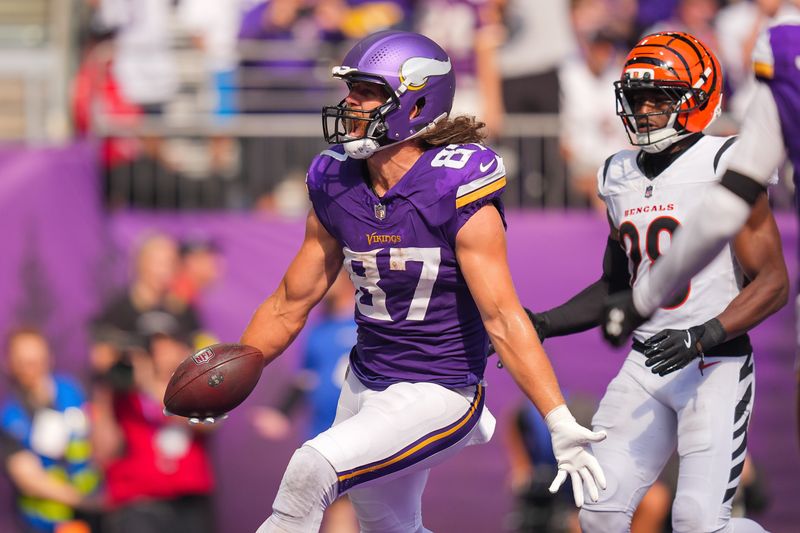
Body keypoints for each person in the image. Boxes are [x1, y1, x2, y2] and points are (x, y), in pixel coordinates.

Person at [231, 30, 605, 533]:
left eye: (367, 91)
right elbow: (288, 303)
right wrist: (238, 369)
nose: (350, 103)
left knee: (311, 468)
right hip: (366, 381)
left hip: (440, 389)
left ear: (414, 101)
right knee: (387, 527)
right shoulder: (336, 179)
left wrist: (557, 419)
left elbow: (501, 316)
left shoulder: (455, 187)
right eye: (351, 90)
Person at [525, 31, 788, 533]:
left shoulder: (724, 161)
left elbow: (773, 282)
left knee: (697, 522)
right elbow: (616, 285)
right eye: (637, 97)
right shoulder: (616, 173)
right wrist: (543, 323)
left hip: (716, 363)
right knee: (598, 512)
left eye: (659, 97)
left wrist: (704, 333)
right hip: (647, 361)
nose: (644, 110)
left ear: (696, 99)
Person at [251, 269, 358, 533]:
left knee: (374, 512)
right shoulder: (318, 331)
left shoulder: (369, 326)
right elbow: (306, 379)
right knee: (336, 509)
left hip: (362, 432)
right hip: (323, 435)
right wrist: (282, 413)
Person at [91, 331, 216, 533]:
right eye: (154, 350)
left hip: (189, 501)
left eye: (167, 347)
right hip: (138, 504)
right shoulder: (123, 395)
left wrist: (148, 385)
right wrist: (105, 389)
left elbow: (207, 422)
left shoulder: (196, 390)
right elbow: (105, 451)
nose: (160, 355)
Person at [0, 327, 101, 533]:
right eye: (25, 363)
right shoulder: (9, 417)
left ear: (49, 358)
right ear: (10, 364)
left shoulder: (71, 390)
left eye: (38, 360)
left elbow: (98, 439)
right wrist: (85, 501)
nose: (33, 368)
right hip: (48, 521)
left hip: (96, 508)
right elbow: (29, 478)